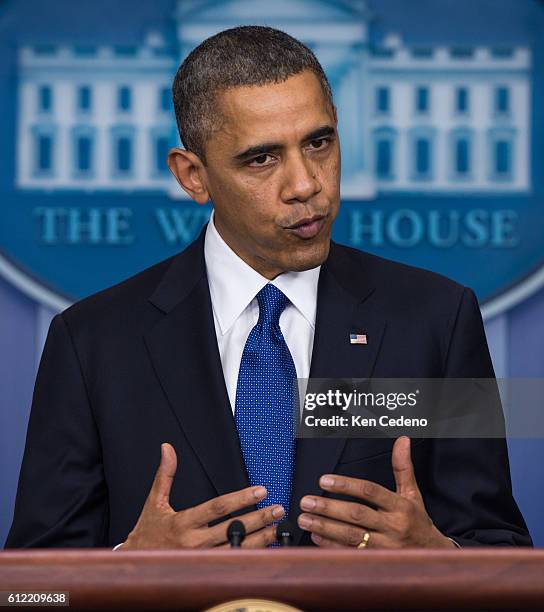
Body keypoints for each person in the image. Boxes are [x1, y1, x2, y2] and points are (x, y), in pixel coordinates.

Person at [5, 26, 531, 550]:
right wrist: (125, 569)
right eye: (262, 158)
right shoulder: (92, 342)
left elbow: (502, 551)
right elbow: (31, 592)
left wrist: (440, 559)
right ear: (193, 176)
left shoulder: (436, 319)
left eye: (319, 142)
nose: (306, 184)